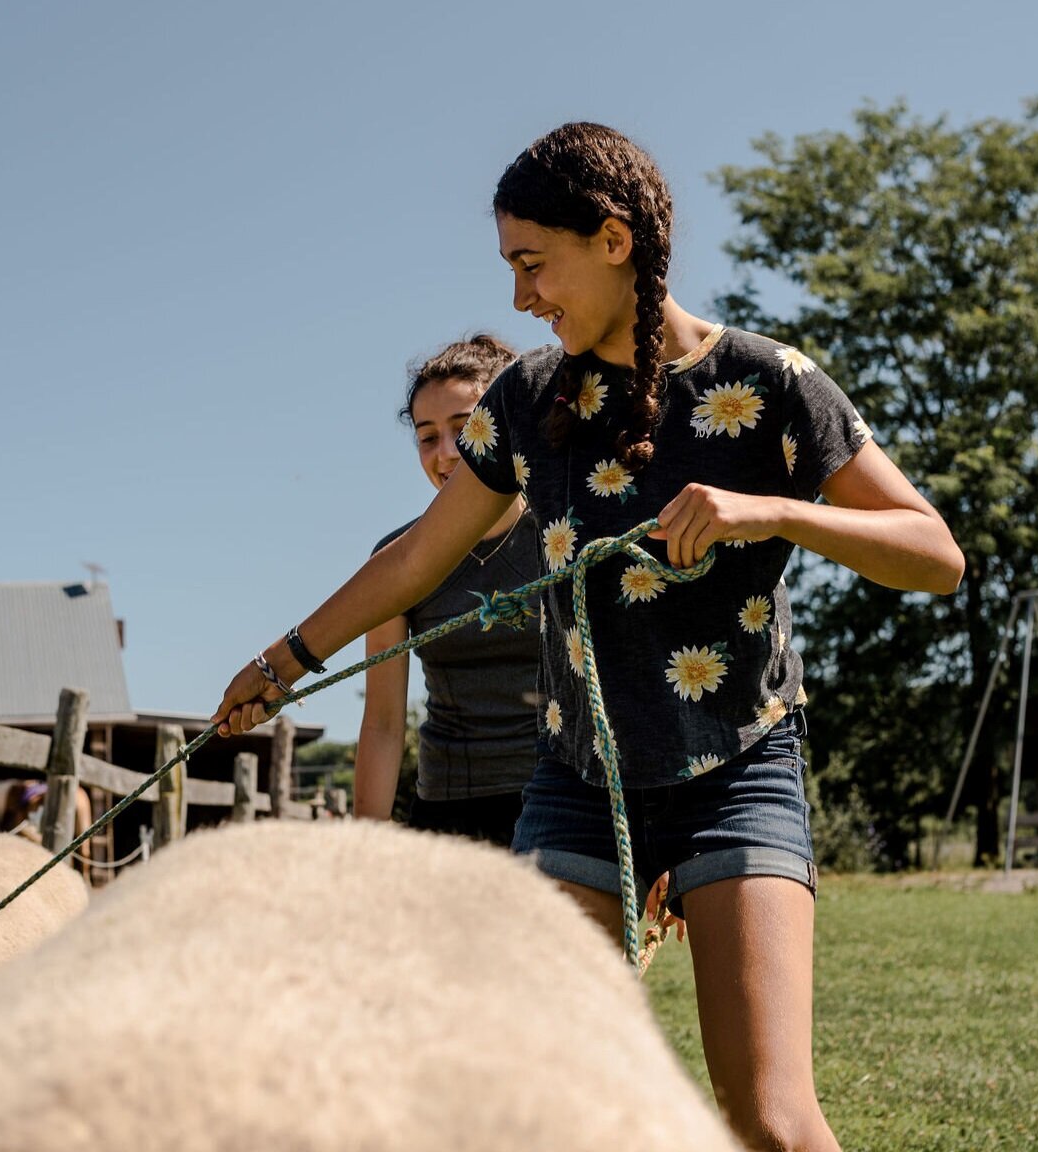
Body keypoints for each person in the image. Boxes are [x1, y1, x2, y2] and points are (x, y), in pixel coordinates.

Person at [213, 122, 964, 1151]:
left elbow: (933, 554)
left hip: (736, 769)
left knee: (771, 1121)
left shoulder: (771, 384)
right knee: (538, 1112)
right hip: (577, 780)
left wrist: (773, 512)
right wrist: (279, 662)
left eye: (533, 264)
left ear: (612, 240)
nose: (522, 297)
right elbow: (411, 563)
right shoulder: (527, 400)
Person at [356, 335, 541, 846]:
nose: (445, 454)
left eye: (464, 429)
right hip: (447, 814)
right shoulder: (393, 559)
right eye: (427, 437)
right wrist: (362, 852)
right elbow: (384, 724)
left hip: (561, 803)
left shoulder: (563, 538)